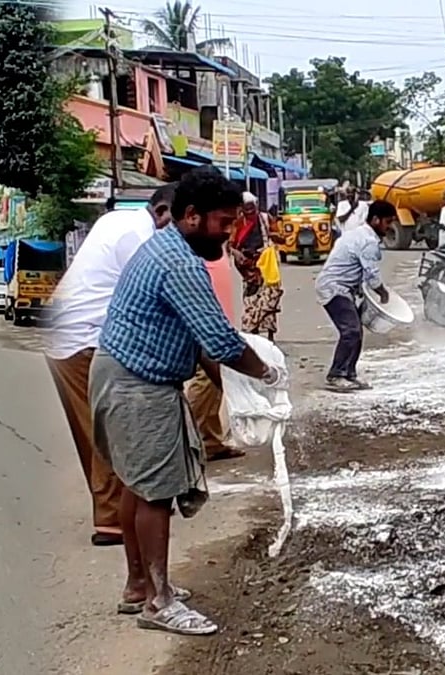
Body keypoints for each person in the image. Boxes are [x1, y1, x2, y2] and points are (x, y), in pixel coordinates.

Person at [90, 167, 285, 637]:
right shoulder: (180, 263)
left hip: (121, 375)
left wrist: (231, 389)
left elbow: (198, 340)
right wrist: (269, 375)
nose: (229, 232)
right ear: (192, 216)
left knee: (137, 485)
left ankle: (140, 586)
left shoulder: (164, 248)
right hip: (139, 387)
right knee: (155, 492)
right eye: (223, 222)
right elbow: (220, 339)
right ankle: (159, 601)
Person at [45, 183, 177, 547]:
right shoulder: (141, 237)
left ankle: (113, 512)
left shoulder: (117, 220)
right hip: (85, 338)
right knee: (109, 430)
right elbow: (156, 299)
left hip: (65, 335)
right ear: (163, 212)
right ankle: (113, 519)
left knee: (93, 430)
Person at [315, 199, 396, 391]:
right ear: (376, 220)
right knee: (351, 331)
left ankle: (349, 374)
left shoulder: (357, 234)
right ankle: (336, 375)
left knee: (356, 331)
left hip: (341, 287)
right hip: (335, 287)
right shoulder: (367, 241)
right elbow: (372, 275)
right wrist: (383, 294)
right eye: (388, 222)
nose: (390, 227)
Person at [186, 238, 241, 460]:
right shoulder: (190, 246)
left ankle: (208, 440)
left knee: (213, 383)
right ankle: (192, 439)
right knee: (205, 381)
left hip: (218, 321)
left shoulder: (217, 242)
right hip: (206, 322)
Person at [231, 192, 284, 342]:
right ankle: (251, 333)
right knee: (251, 302)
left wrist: (274, 238)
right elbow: (230, 245)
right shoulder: (239, 223)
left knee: (270, 301)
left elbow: (281, 238)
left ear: (256, 206)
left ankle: (269, 337)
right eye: (246, 210)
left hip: (266, 267)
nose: (250, 213)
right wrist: (237, 254)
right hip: (248, 270)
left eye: (252, 209)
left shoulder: (266, 219)